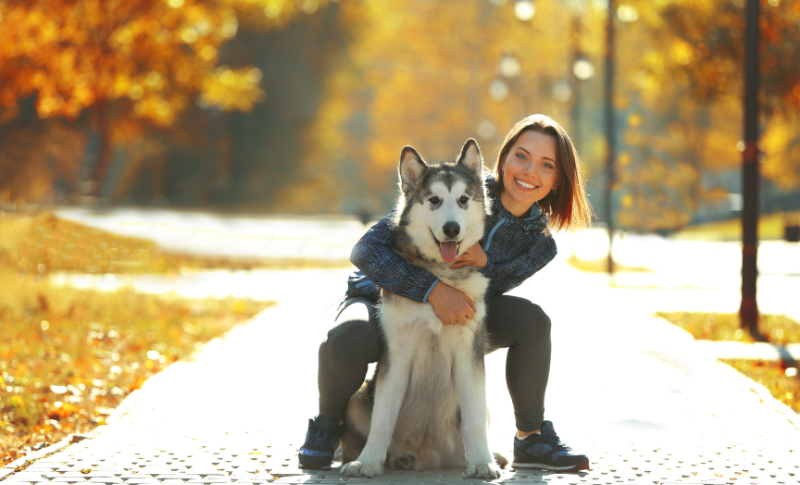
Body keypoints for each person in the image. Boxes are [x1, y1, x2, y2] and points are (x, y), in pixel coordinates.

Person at [298, 114, 594, 472]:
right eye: (521, 156)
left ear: (559, 179)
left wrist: (484, 262)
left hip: (464, 302)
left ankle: (530, 437)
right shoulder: (452, 185)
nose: (530, 171)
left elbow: (493, 287)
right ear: (503, 159)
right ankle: (329, 426)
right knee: (348, 337)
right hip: (381, 292)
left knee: (532, 320)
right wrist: (430, 290)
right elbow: (366, 250)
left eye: (546, 165)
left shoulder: (540, 245)